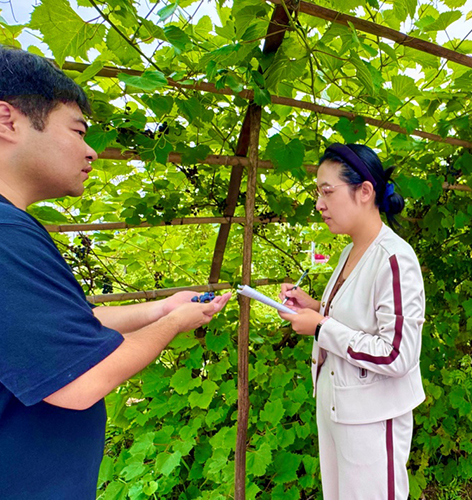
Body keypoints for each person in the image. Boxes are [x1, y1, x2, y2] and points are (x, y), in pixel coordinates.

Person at [0, 47, 231, 499]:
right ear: (8, 121)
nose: (91, 151)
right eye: (78, 130)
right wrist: (174, 322)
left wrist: (160, 307)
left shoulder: (13, 226)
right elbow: (81, 381)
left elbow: (59, 331)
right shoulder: (6, 235)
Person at [278, 143, 425, 500]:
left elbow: (397, 354)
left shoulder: (394, 259)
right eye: (318, 193)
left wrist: (319, 327)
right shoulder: (349, 250)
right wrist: (313, 306)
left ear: (365, 191)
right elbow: (356, 319)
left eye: (327, 192)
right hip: (338, 408)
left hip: (373, 418)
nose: (319, 204)